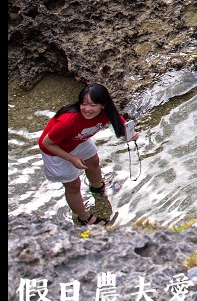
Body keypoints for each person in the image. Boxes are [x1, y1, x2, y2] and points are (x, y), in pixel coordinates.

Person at [38, 83, 136, 226]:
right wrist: (71, 159)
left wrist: (131, 134)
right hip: (55, 150)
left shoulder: (107, 112)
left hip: (77, 140)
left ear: (103, 105)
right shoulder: (68, 121)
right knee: (73, 185)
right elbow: (47, 143)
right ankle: (83, 217)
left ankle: (97, 187)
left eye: (93, 105)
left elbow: (119, 120)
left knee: (93, 160)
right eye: (83, 104)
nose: (87, 109)